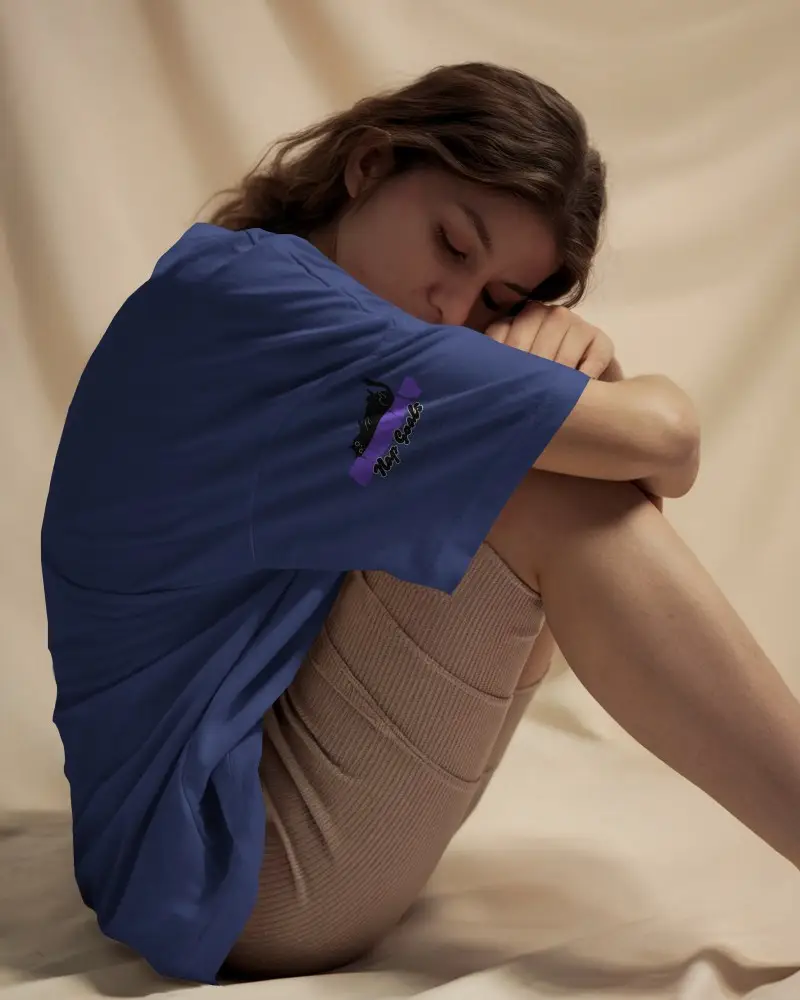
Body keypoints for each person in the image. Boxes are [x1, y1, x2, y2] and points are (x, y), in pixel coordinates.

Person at [40, 62, 800, 986]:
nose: (453, 308)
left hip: (225, 840)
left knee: (523, 463)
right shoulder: (262, 305)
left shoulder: (285, 317)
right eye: (451, 244)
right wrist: (573, 392)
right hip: (237, 875)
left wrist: (563, 396)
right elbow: (669, 437)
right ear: (367, 165)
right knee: (545, 486)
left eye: (497, 301)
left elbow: (638, 454)